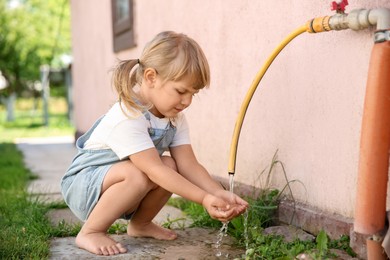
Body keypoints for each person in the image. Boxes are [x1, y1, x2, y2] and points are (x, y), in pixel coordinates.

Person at [61, 31, 248, 256]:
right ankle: (91, 231)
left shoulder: (174, 117)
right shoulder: (128, 114)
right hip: (84, 186)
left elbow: (189, 164)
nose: (187, 101)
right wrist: (203, 199)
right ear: (151, 77)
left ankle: (140, 224)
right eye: (181, 91)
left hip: (118, 183)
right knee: (142, 172)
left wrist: (217, 193)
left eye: (193, 94)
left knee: (171, 166)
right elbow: (153, 170)